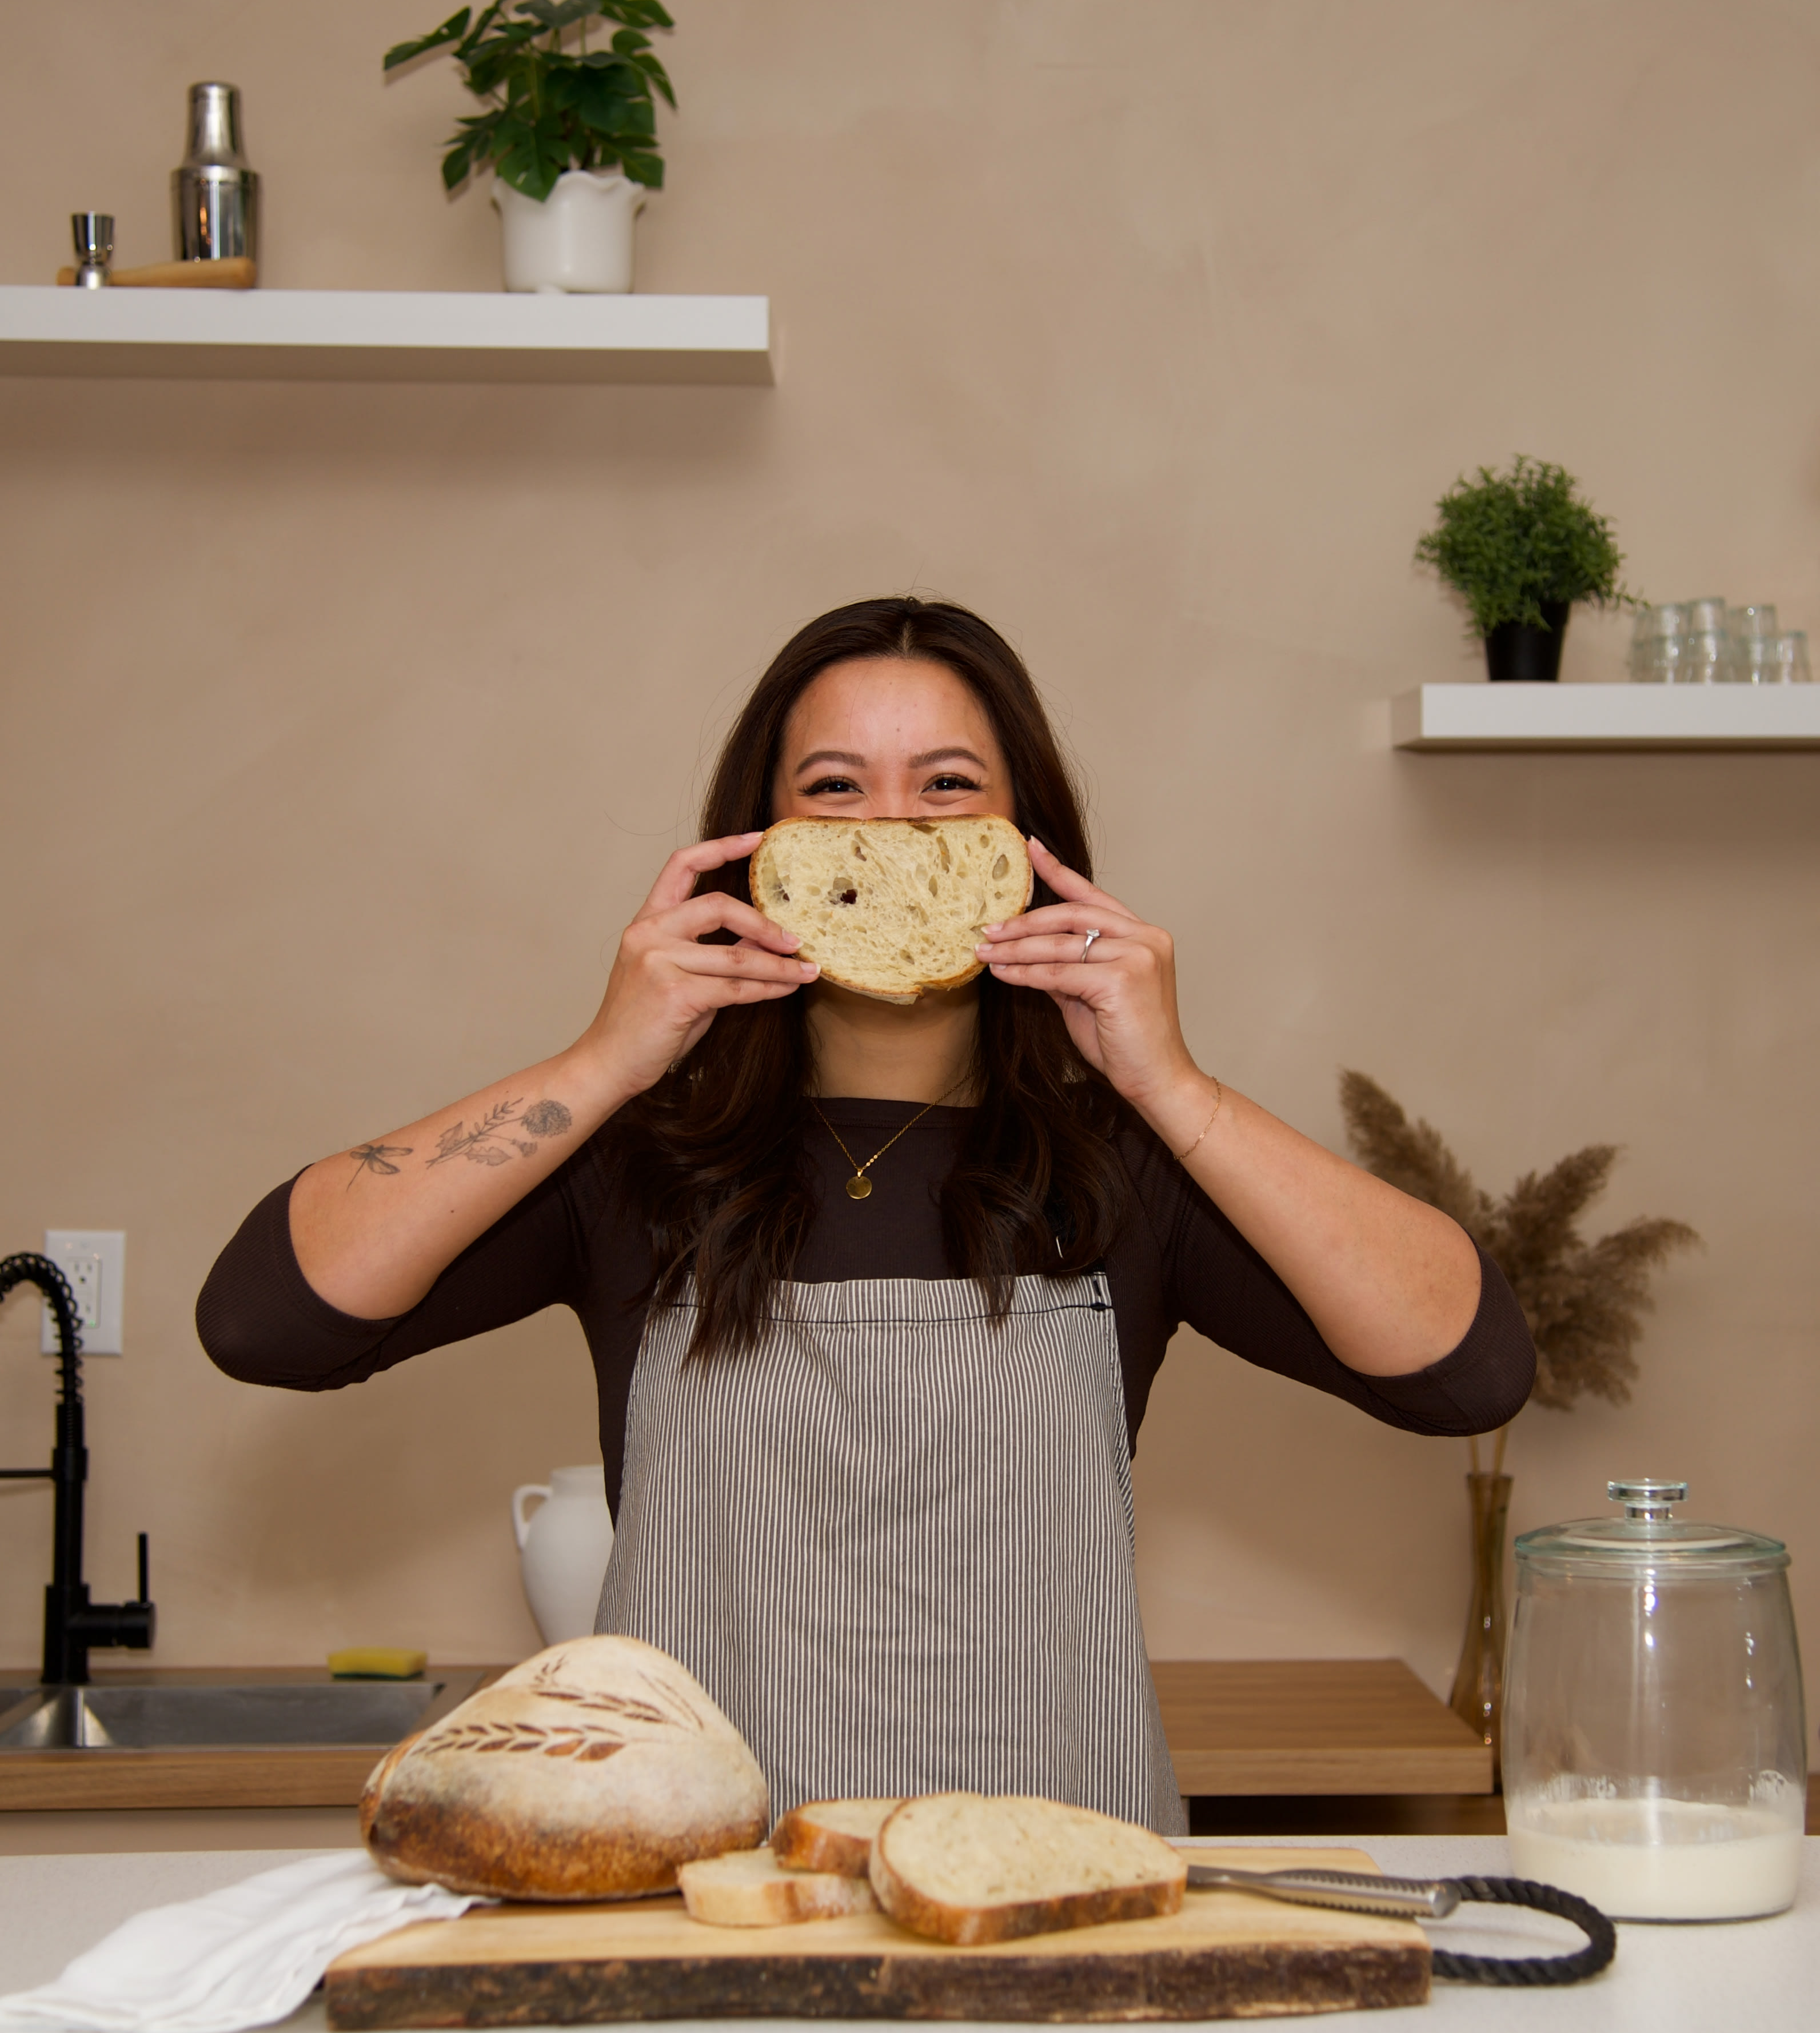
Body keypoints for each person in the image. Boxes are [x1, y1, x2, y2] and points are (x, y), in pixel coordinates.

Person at [199, 598, 1532, 1831]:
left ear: (1028, 851)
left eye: (946, 787)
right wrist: (603, 1060)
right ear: (754, 849)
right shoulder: (635, 1163)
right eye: (833, 788)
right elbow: (269, 1319)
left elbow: (1464, 1372)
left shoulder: (1129, 1171)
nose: (889, 832)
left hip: (1056, 1922)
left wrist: (1168, 1084)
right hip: (704, 1923)